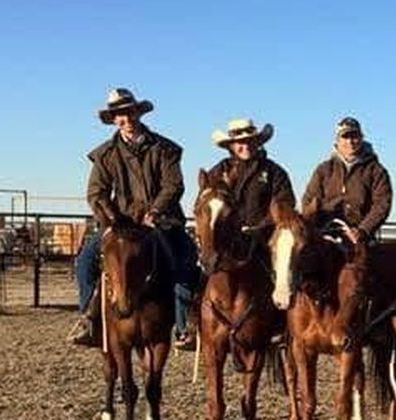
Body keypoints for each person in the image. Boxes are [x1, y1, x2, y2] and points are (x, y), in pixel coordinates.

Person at [68, 88, 200, 350]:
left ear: (137, 112)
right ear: (113, 119)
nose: (125, 118)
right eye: (118, 114)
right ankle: (89, 319)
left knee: (185, 257)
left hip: (161, 221)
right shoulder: (105, 154)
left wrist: (156, 211)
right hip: (121, 224)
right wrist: (112, 218)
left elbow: (173, 186)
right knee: (84, 261)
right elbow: (97, 192)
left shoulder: (165, 149)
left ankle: (185, 326)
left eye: (128, 112)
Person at [206, 118, 296, 263]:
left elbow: (285, 203)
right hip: (227, 243)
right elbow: (207, 203)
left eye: (249, 141)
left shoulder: (274, 172)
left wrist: (259, 229)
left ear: (257, 142)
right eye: (240, 143)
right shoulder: (218, 172)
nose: (245, 146)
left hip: (266, 241)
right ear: (231, 146)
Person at [301, 117, 393, 245]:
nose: (350, 141)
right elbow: (309, 200)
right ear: (337, 141)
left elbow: (382, 204)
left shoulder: (376, 171)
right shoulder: (323, 169)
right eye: (345, 137)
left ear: (361, 138)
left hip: (360, 238)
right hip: (324, 235)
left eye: (354, 136)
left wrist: (363, 230)